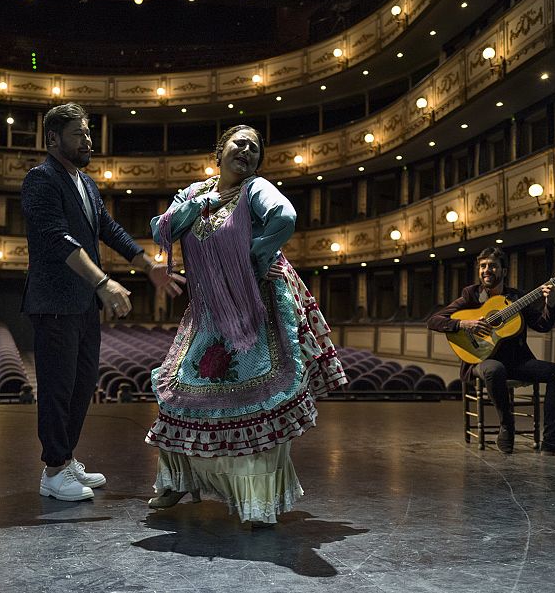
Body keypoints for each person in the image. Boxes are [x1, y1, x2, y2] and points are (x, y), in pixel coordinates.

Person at [144, 125, 347, 526]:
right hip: (211, 310)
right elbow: (160, 229)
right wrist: (196, 204)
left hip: (257, 304)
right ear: (219, 150)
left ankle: (256, 502)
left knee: (255, 398)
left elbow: (284, 215)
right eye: (241, 143)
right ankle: (177, 479)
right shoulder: (192, 193)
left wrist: (252, 254)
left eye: (255, 148)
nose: (248, 151)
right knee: (183, 390)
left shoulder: (255, 189)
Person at [22, 102, 185, 501]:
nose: (88, 141)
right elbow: (57, 239)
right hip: (54, 301)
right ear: (53, 139)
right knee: (59, 388)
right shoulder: (41, 180)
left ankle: (66, 459)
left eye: (89, 133)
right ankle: (54, 470)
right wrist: (103, 282)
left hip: (81, 304)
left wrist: (149, 267)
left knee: (82, 386)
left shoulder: (87, 184)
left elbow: (109, 229)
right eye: (79, 134)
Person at [427, 246, 555, 455]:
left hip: (517, 361)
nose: (487, 270)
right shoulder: (470, 295)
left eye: (492, 266)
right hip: (480, 360)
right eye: (483, 266)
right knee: (495, 369)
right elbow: (434, 320)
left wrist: (551, 303)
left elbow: (542, 326)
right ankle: (506, 424)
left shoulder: (517, 298)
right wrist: (465, 324)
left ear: (503, 271)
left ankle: (552, 439)